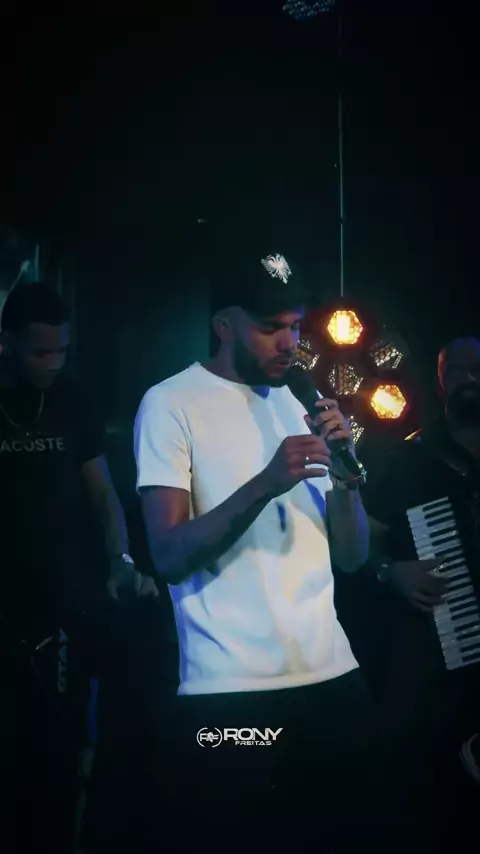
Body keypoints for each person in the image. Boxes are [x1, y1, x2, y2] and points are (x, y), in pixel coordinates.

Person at [134, 247, 413, 853]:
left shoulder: (300, 402)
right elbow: (167, 554)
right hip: (228, 696)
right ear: (223, 325)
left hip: (333, 677)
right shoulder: (171, 403)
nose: (289, 343)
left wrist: (346, 478)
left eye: (294, 325)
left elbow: (351, 558)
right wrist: (265, 482)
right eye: (269, 328)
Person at [0, 282, 155, 854]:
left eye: (62, 350)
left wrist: (120, 559)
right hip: (4, 600)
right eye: (40, 352)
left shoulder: (71, 396)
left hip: (61, 601)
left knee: (63, 749)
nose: (53, 362)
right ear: (6, 343)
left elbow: (103, 493)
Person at [364, 337, 480, 836]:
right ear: (440, 382)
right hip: (436, 646)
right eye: (456, 372)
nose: (469, 380)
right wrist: (391, 571)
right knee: (411, 773)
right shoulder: (412, 460)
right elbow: (362, 542)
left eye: (478, 370)